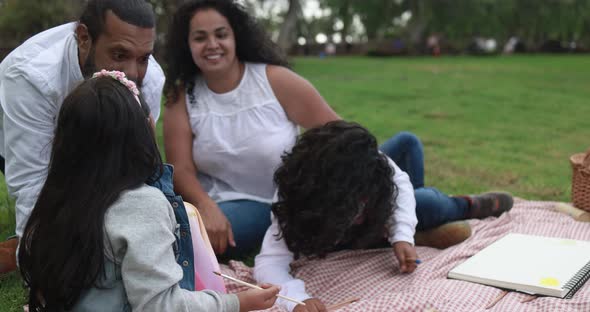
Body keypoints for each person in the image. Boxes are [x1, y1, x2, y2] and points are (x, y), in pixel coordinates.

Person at [17, 73, 279, 312]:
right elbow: (160, 306)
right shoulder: (141, 205)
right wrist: (235, 303)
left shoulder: (58, 197)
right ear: (144, 128)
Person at [254, 121, 513, 312]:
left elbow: (400, 188)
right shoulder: (293, 203)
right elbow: (269, 263)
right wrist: (295, 298)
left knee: (422, 194)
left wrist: (402, 234)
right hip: (351, 236)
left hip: (378, 220)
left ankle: (464, 206)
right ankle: (419, 230)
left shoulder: (378, 169)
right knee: (422, 202)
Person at [163, 0, 339, 257]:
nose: (212, 44)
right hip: (227, 203)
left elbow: (340, 134)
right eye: (200, 38)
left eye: (221, 34)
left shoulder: (275, 80)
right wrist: (205, 205)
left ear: (236, 36)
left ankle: (401, 212)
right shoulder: (182, 98)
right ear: (186, 45)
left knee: (405, 148)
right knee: (185, 244)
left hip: (290, 200)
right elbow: (181, 168)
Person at [0, 0, 166, 273]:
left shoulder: (150, 78)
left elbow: (137, 165)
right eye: (119, 54)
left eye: (143, 58)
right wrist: (42, 264)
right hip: (22, 138)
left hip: (90, 145)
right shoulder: (30, 76)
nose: (133, 73)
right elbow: (33, 185)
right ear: (84, 38)